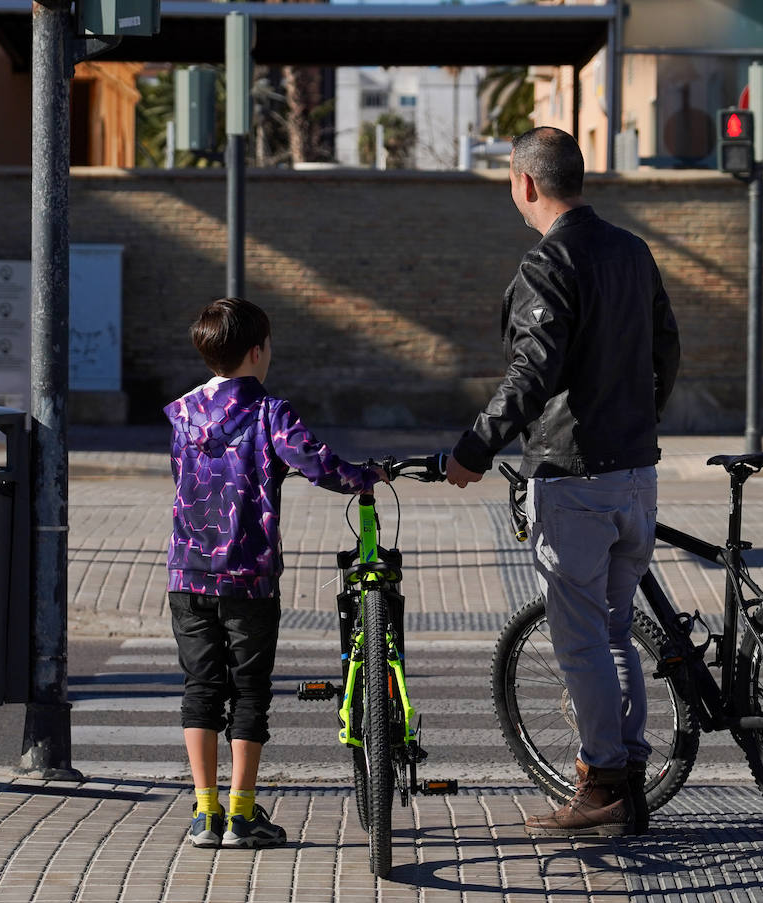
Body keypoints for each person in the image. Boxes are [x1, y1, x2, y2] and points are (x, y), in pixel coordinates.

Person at [445, 127, 680, 837]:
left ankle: (603, 783)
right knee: (612, 632)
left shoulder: (550, 262)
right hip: (637, 475)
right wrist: (638, 421)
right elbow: (666, 348)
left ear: (526, 184)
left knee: (581, 641)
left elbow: (532, 372)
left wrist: (474, 447)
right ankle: (626, 782)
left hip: (575, 480)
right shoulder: (632, 251)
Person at [165, 297, 387, 849]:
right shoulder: (269, 411)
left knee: (200, 687)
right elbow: (318, 463)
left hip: (188, 572)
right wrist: (366, 477)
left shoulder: (183, 412)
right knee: (249, 691)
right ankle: (242, 814)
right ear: (258, 350)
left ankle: (204, 814)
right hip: (247, 574)